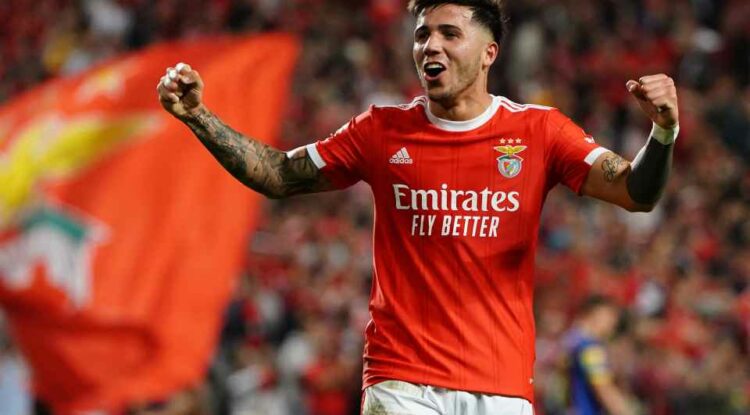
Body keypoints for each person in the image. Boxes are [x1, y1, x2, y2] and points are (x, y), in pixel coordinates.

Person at [156, 0, 679, 413]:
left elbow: (636, 193)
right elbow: (278, 174)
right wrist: (200, 117)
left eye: (450, 33)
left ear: (489, 53)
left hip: (501, 387)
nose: (432, 45)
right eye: (423, 34)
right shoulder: (380, 130)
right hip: (402, 381)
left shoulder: (540, 131)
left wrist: (662, 131)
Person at [564, 296, 636, 415]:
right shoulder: (590, 349)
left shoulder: (570, 341)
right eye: (610, 316)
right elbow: (603, 388)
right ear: (595, 314)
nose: (614, 323)